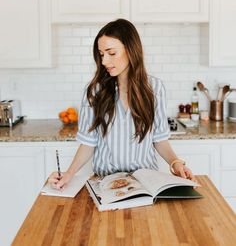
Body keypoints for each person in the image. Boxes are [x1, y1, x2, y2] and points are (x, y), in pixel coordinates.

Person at [49, 19, 195, 190]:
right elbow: (88, 142)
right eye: (101, 54)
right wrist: (69, 173)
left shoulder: (155, 88)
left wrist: (175, 163)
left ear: (131, 50)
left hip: (145, 183)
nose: (104, 61)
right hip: (105, 183)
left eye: (111, 53)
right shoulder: (95, 91)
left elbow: (159, 139)